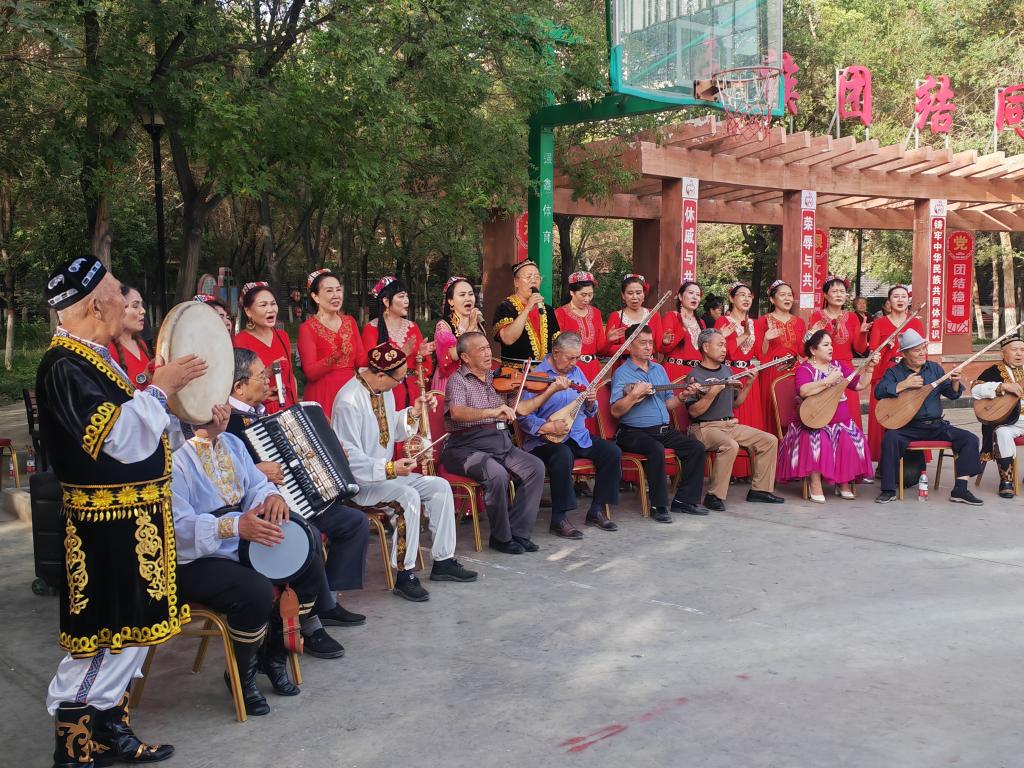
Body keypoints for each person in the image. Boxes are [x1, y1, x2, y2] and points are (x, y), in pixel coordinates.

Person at [38, 255, 206, 767]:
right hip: (103, 533)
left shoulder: (94, 358)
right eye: (116, 291)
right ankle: (73, 747)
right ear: (95, 304)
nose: (125, 299)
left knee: (129, 636)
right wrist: (159, 388)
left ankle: (109, 730)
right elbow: (120, 438)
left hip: (132, 525)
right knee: (103, 640)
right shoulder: (64, 366)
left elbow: (144, 433)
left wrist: (184, 414)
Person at [172, 404, 327, 716]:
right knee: (255, 590)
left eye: (223, 403)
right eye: (214, 404)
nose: (223, 410)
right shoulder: (174, 457)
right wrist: (233, 526)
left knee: (308, 559)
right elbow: (177, 528)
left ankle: (274, 655)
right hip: (195, 559)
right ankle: (241, 675)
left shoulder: (232, 443)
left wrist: (272, 498)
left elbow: (258, 486)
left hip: (242, 543)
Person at [226, 348, 369, 635]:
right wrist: (256, 470)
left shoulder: (261, 414)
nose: (267, 381)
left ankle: (328, 601)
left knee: (354, 521)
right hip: (259, 509)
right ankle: (311, 616)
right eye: (261, 376)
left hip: (294, 498)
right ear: (239, 387)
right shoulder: (226, 421)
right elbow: (223, 476)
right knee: (309, 534)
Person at [332, 343, 477, 601]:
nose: (400, 384)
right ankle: (404, 575)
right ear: (380, 375)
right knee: (407, 497)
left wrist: (414, 412)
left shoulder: (383, 390)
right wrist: (390, 468)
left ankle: (443, 561)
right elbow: (349, 459)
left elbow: (393, 430)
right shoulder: (348, 401)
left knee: (439, 487)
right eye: (399, 379)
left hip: (385, 476)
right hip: (360, 484)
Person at [441, 331, 564, 553]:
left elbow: (522, 409)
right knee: (496, 474)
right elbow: (457, 412)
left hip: (499, 442)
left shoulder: (498, 378)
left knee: (535, 467)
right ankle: (501, 537)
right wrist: (492, 412)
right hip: (465, 446)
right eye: (481, 349)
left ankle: (519, 532)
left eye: (488, 347)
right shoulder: (457, 380)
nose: (488, 353)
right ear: (466, 357)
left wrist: (550, 391)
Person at [518, 332, 621, 538]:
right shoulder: (537, 376)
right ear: (556, 352)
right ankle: (559, 518)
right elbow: (523, 416)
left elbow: (589, 411)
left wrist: (590, 402)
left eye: (577, 357)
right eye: (570, 357)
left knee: (612, 452)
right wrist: (547, 427)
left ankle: (597, 509)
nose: (574, 362)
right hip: (544, 441)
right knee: (562, 454)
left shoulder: (577, 372)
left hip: (577, 435)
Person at [610, 325, 708, 523]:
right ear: (629, 346)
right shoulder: (622, 373)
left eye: (650, 342)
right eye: (643, 343)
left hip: (662, 430)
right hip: (633, 432)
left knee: (696, 447)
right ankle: (659, 506)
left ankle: (684, 501)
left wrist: (683, 396)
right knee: (656, 449)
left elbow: (668, 403)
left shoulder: (659, 369)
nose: (648, 347)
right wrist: (634, 395)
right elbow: (615, 411)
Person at [873, 329, 983, 505]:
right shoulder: (894, 373)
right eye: (916, 350)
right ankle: (888, 490)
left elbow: (952, 394)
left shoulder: (934, 368)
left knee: (969, 439)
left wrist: (955, 381)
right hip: (907, 427)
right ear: (904, 354)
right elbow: (879, 392)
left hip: (936, 426)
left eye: (924, 348)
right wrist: (903, 385)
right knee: (890, 438)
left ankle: (960, 489)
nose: (922, 353)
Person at [684, 329, 783, 511]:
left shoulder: (726, 370)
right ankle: (713, 496)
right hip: (704, 428)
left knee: (769, 440)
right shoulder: (694, 375)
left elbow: (736, 403)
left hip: (728, 424)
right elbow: (694, 412)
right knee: (730, 445)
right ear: (706, 347)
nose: (725, 349)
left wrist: (749, 384)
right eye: (720, 345)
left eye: (725, 345)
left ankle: (760, 491)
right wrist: (712, 393)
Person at [777, 330, 878, 502]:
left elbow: (859, 385)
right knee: (819, 440)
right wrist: (828, 381)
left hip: (841, 422)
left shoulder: (838, 366)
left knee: (849, 438)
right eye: (826, 345)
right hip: (812, 424)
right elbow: (803, 391)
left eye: (831, 344)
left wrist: (870, 368)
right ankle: (815, 483)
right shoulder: (805, 369)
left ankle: (843, 482)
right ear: (813, 350)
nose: (831, 348)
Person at [714, 282, 768, 478]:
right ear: (731, 298)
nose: (746, 299)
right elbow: (724, 351)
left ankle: (749, 470)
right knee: (733, 418)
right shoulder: (723, 321)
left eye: (749, 296)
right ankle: (732, 471)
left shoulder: (756, 323)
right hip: (730, 372)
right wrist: (743, 335)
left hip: (750, 373)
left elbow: (761, 353)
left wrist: (766, 338)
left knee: (752, 420)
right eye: (741, 295)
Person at [297, 269, 366, 416]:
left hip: (351, 391)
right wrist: (336, 355)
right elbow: (310, 373)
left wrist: (381, 354)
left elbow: (361, 361)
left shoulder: (350, 322)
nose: (336, 295)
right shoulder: (307, 328)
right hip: (323, 394)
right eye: (329, 291)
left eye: (338, 290)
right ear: (315, 297)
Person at [362, 275, 435, 410]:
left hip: (413, 391)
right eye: (401, 296)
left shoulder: (412, 327)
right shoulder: (371, 329)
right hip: (388, 392)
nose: (406, 301)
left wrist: (421, 355)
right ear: (386, 301)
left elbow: (425, 368)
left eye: (407, 296)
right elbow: (371, 367)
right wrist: (402, 354)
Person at [810, 276, 868, 430]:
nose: (839, 295)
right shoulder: (817, 316)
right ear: (826, 295)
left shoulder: (852, 317)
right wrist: (822, 331)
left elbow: (860, 349)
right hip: (823, 369)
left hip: (846, 369)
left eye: (842, 291)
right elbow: (810, 344)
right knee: (826, 413)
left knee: (849, 411)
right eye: (834, 291)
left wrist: (863, 334)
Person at [233, 282, 298, 413]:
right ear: (248, 311)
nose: (270, 309)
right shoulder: (240, 341)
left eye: (273, 304)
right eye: (263, 305)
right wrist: (266, 372)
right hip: (260, 411)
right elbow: (240, 389)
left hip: (288, 408)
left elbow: (291, 377)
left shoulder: (282, 336)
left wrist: (295, 406)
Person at [971, 335, 1024, 498]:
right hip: (1008, 422)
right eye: (1014, 350)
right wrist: (1003, 386)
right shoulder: (994, 371)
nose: (1019, 353)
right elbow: (975, 390)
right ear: (1003, 353)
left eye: (1022, 350)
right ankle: (1006, 480)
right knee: (1002, 433)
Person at [754, 280, 806, 431]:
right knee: (773, 414)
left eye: (790, 295)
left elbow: (802, 352)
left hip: (794, 371)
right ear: (772, 299)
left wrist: (810, 337)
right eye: (782, 295)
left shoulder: (800, 322)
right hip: (772, 372)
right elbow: (760, 354)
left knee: (793, 411)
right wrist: (766, 339)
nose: (787, 298)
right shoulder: (762, 321)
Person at [493, 260, 560, 364]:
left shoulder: (548, 309)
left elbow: (557, 343)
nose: (533, 281)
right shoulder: (505, 307)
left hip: (544, 370)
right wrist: (528, 308)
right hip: (514, 371)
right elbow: (507, 339)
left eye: (537, 277)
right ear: (516, 282)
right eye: (528, 277)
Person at [432, 276, 485, 394]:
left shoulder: (477, 323)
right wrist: (471, 327)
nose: (468, 298)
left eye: (470, 294)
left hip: (474, 381)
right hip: (451, 383)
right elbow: (453, 355)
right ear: (451, 301)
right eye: (462, 295)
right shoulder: (443, 326)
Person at [554, 271, 607, 382]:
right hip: (571, 368)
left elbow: (600, 348)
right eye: (583, 295)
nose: (587, 299)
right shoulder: (560, 313)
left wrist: (610, 340)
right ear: (572, 292)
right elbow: (556, 348)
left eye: (590, 295)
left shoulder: (596, 313)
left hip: (594, 369)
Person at [605, 274, 663, 358]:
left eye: (638, 293)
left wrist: (665, 342)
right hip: (624, 364)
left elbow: (659, 347)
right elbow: (607, 351)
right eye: (630, 293)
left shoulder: (654, 315)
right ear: (623, 295)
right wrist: (631, 348)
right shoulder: (615, 316)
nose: (634, 297)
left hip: (649, 364)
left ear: (644, 294)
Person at [108, 284, 152, 390]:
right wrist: (144, 379)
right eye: (135, 306)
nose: (143, 311)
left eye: (142, 305)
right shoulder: (108, 350)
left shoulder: (140, 343)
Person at [661, 280, 706, 383]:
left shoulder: (702, 322)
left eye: (698, 295)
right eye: (691, 293)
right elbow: (663, 349)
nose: (695, 297)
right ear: (680, 296)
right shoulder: (671, 316)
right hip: (674, 370)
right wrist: (683, 329)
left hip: (696, 373)